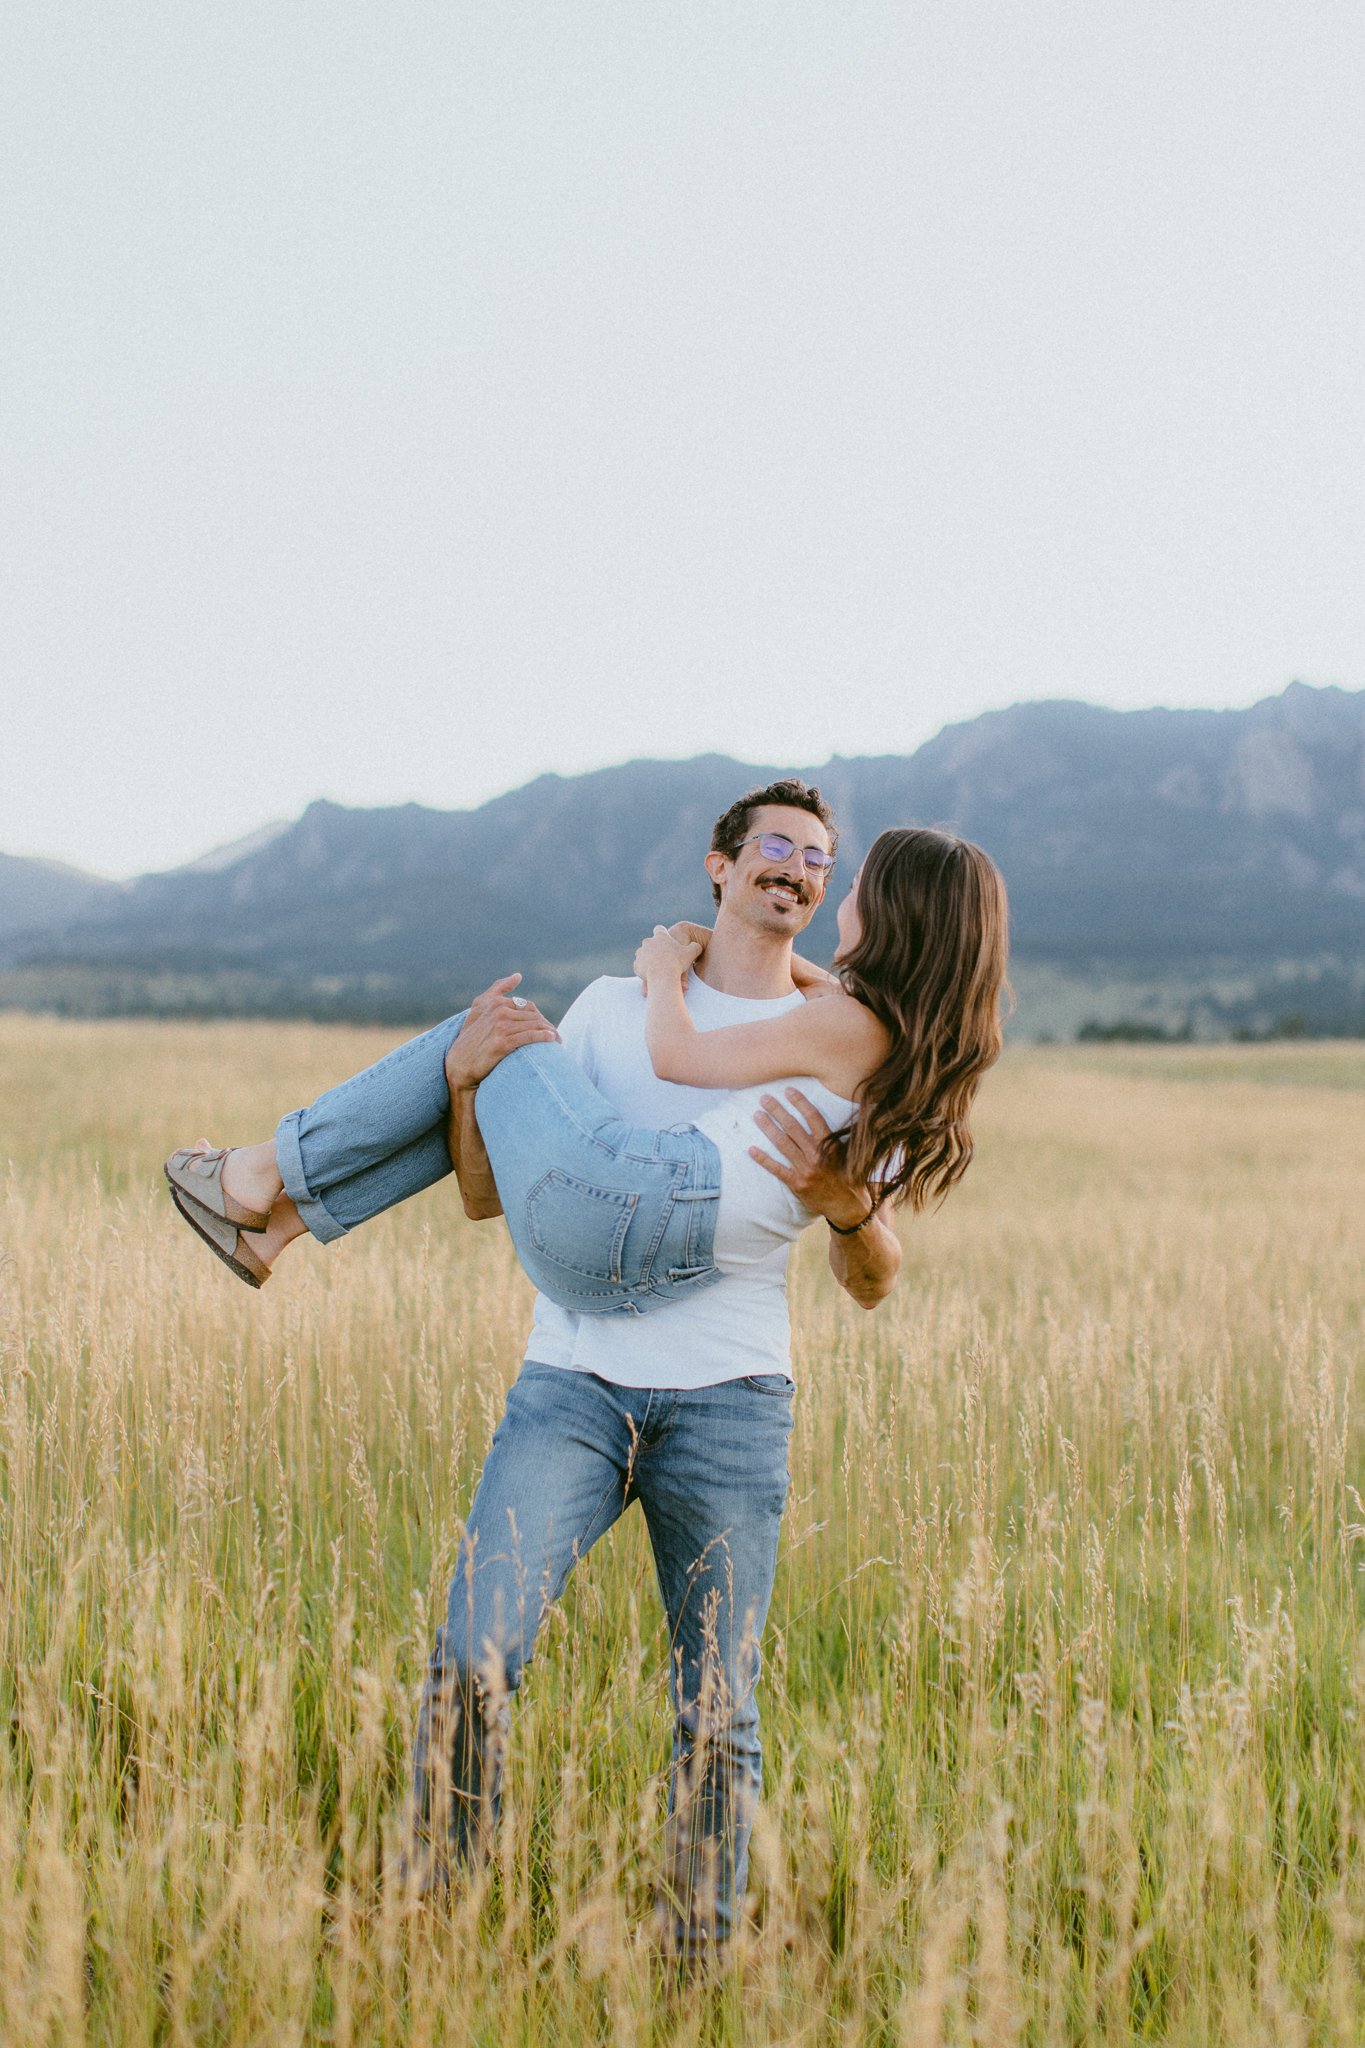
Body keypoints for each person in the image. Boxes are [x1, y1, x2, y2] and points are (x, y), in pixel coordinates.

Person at [165, 782, 1009, 1953]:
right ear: (719, 866)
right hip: (576, 1372)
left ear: (865, 907)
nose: (812, 873)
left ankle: (263, 1192)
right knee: (473, 1654)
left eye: (831, 865)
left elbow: (872, 1277)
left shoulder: (745, 1016)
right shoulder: (796, 1024)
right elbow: (488, 1192)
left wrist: (847, 1205)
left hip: (728, 1393)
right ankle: (442, 1904)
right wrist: (470, 1086)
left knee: (720, 1704)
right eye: (781, 846)